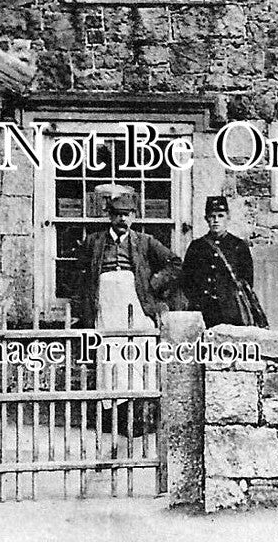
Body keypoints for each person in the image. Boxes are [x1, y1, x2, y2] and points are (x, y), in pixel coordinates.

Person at [71, 187, 182, 437]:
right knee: (110, 358)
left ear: (134, 216)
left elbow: (175, 264)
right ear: (110, 216)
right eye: (118, 214)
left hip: (136, 305)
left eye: (127, 214)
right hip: (105, 307)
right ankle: (114, 419)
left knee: (139, 356)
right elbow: (77, 276)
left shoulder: (145, 241)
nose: (123, 219)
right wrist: (81, 308)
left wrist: (153, 284)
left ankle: (140, 417)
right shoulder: (94, 242)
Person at [182, 196, 268, 328]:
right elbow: (186, 280)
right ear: (206, 219)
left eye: (220, 216)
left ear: (228, 217)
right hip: (204, 311)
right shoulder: (196, 247)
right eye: (212, 216)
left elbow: (247, 280)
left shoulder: (239, 246)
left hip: (231, 312)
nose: (216, 220)